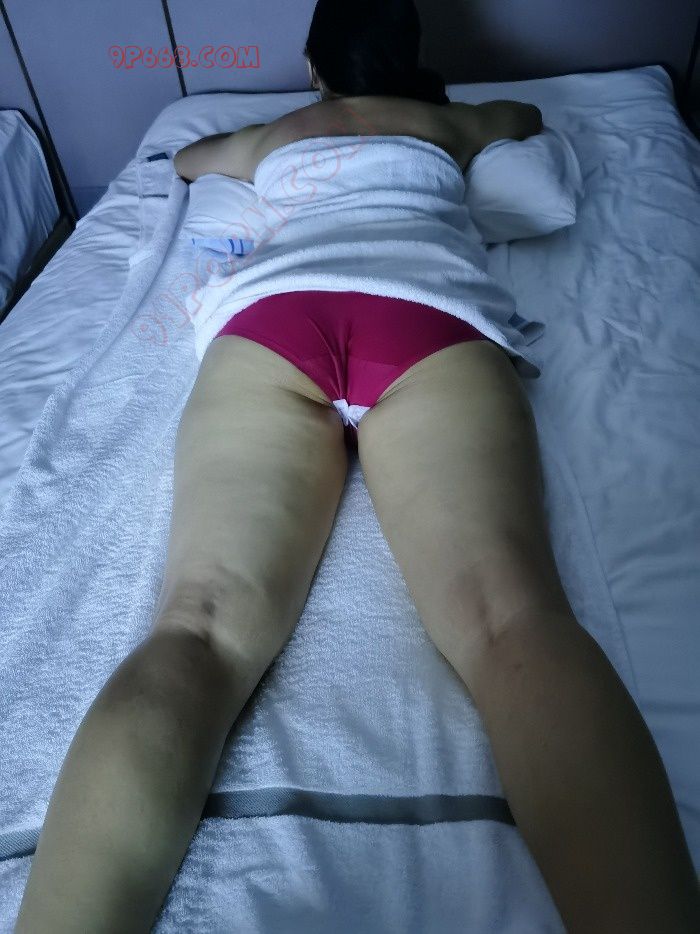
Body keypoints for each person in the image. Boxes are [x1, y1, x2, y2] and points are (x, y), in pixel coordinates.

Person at [15, 1, 700, 931]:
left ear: (313, 64)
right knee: (510, 623)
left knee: (199, 627)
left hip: (275, 319)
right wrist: (445, 111)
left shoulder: (277, 133)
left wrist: (261, 138)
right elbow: (526, 119)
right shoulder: (448, 123)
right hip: (423, 314)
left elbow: (186, 160)